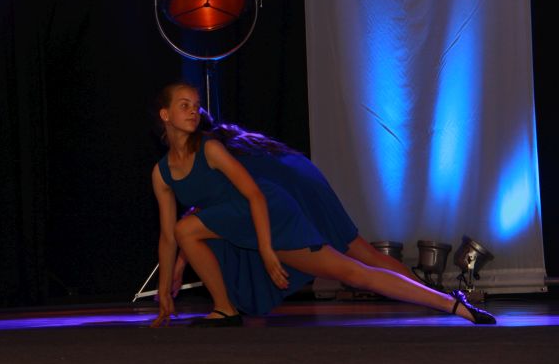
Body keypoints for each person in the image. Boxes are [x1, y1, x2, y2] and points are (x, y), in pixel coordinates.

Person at [150, 82, 494, 327]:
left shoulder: (215, 149)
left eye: (195, 106)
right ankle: (225, 309)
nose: (193, 112)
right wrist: (170, 279)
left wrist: (266, 250)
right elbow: (190, 222)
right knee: (361, 262)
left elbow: (247, 197)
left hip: (286, 203)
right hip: (280, 199)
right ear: (165, 115)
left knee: (356, 269)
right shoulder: (176, 166)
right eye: (185, 106)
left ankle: (448, 303)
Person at [167, 111, 420, 297]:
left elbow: (199, 212)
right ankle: (426, 292)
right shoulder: (234, 141)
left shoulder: (211, 151)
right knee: (364, 253)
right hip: (306, 181)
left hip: (297, 192)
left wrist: (178, 267)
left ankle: (425, 294)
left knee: (358, 259)